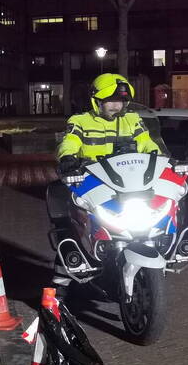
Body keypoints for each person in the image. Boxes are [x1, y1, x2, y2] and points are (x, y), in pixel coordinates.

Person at [47, 73, 161, 298]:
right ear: (96, 101)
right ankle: (60, 285)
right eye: (110, 100)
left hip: (127, 184)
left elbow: (147, 142)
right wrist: (68, 157)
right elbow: (69, 142)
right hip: (92, 183)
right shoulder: (80, 122)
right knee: (72, 229)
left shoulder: (132, 120)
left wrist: (161, 157)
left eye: (120, 101)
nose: (116, 105)